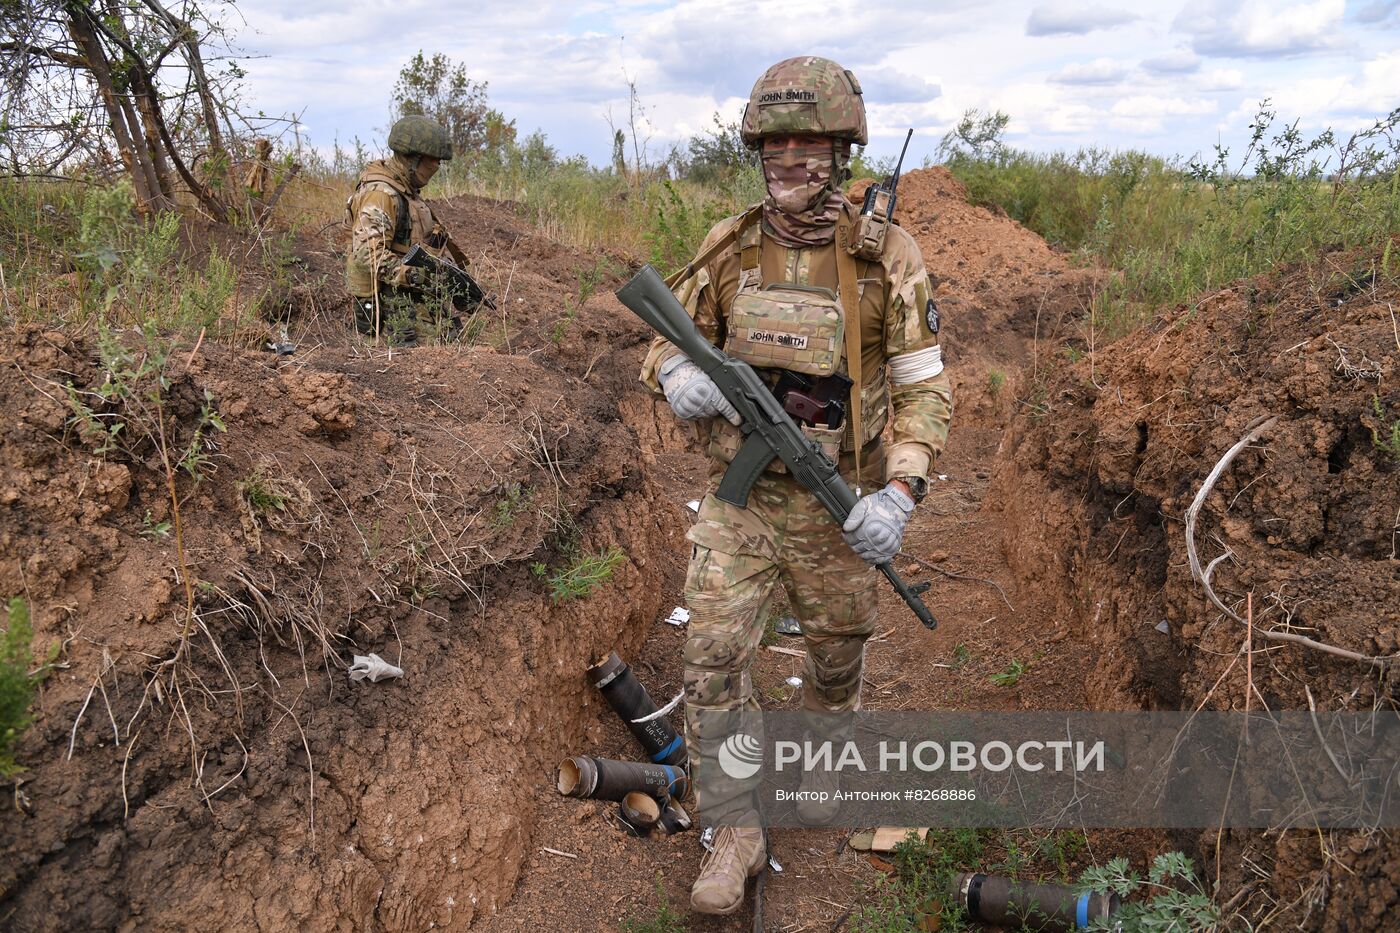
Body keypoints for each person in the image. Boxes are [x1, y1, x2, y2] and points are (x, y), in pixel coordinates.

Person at [638, 56, 953, 916]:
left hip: (840, 501)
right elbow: (663, 333)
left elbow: (925, 386)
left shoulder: (888, 258)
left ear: (843, 150)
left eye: (810, 145)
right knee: (709, 657)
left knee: (837, 657)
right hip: (742, 503)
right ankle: (735, 825)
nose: (791, 162)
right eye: (776, 145)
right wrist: (672, 373)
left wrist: (899, 494)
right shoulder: (731, 245)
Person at [345, 114, 465, 345]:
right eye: (434, 159)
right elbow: (368, 255)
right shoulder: (380, 194)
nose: (437, 166)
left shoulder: (406, 192)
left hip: (417, 302)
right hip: (395, 310)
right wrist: (417, 275)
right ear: (414, 158)